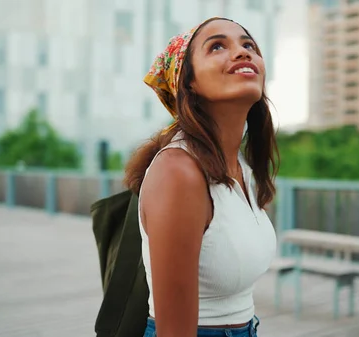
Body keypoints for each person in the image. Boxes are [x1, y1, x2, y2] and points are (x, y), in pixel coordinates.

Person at [124, 17, 279, 337]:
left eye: (248, 45)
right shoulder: (178, 172)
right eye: (218, 46)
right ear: (188, 82)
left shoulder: (242, 170)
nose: (242, 52)